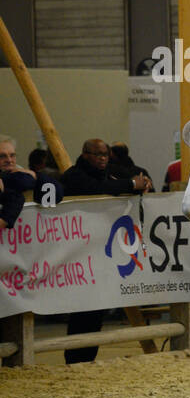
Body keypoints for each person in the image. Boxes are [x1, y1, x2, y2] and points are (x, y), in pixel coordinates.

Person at [60, 139, 152, 363]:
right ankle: (75, 358)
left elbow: (128, 178)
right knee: (83, 309)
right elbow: (97, 190)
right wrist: (131, 184)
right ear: (85, 154)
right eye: (97, 154)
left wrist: (142, 182)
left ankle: (87, 357)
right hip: (78, 254)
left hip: (102, 252)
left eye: (105, 155)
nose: (102, 159)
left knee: (97, 310)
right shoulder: (74, 175)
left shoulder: (109, 172)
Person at [0, 134, 63, 205]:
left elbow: (55, 196)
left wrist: (36, 176)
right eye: (2, 156)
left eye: (12, 155)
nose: (9, 160)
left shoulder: (22, 173)